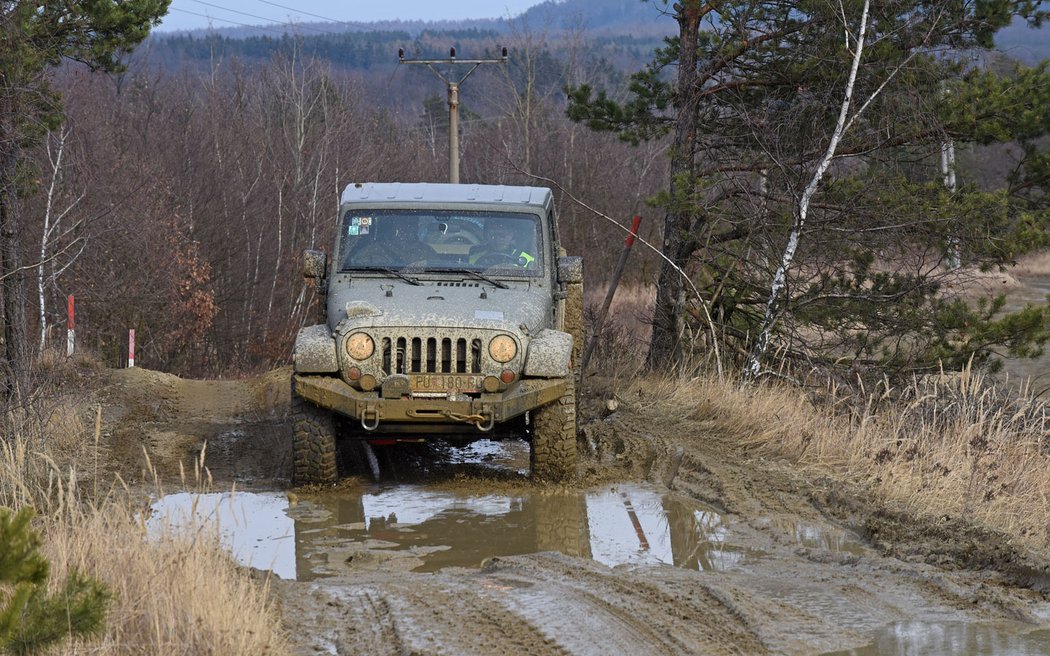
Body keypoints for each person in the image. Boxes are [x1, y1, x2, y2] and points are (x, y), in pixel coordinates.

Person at [347, 215, 436, 268]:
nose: (408, 228)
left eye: (412, 224)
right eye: (403, 224)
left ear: (416, 227)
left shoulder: (427, 252)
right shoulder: (372, 250)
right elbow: (355, 268)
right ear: (394, 226)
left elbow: (437, 273)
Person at [468, 221, 535, 267]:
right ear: (486, 235)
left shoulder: (528, 261)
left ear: (511, 235)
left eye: (502, 236)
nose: (497, 240)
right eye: (493, 235)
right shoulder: (473, 259)